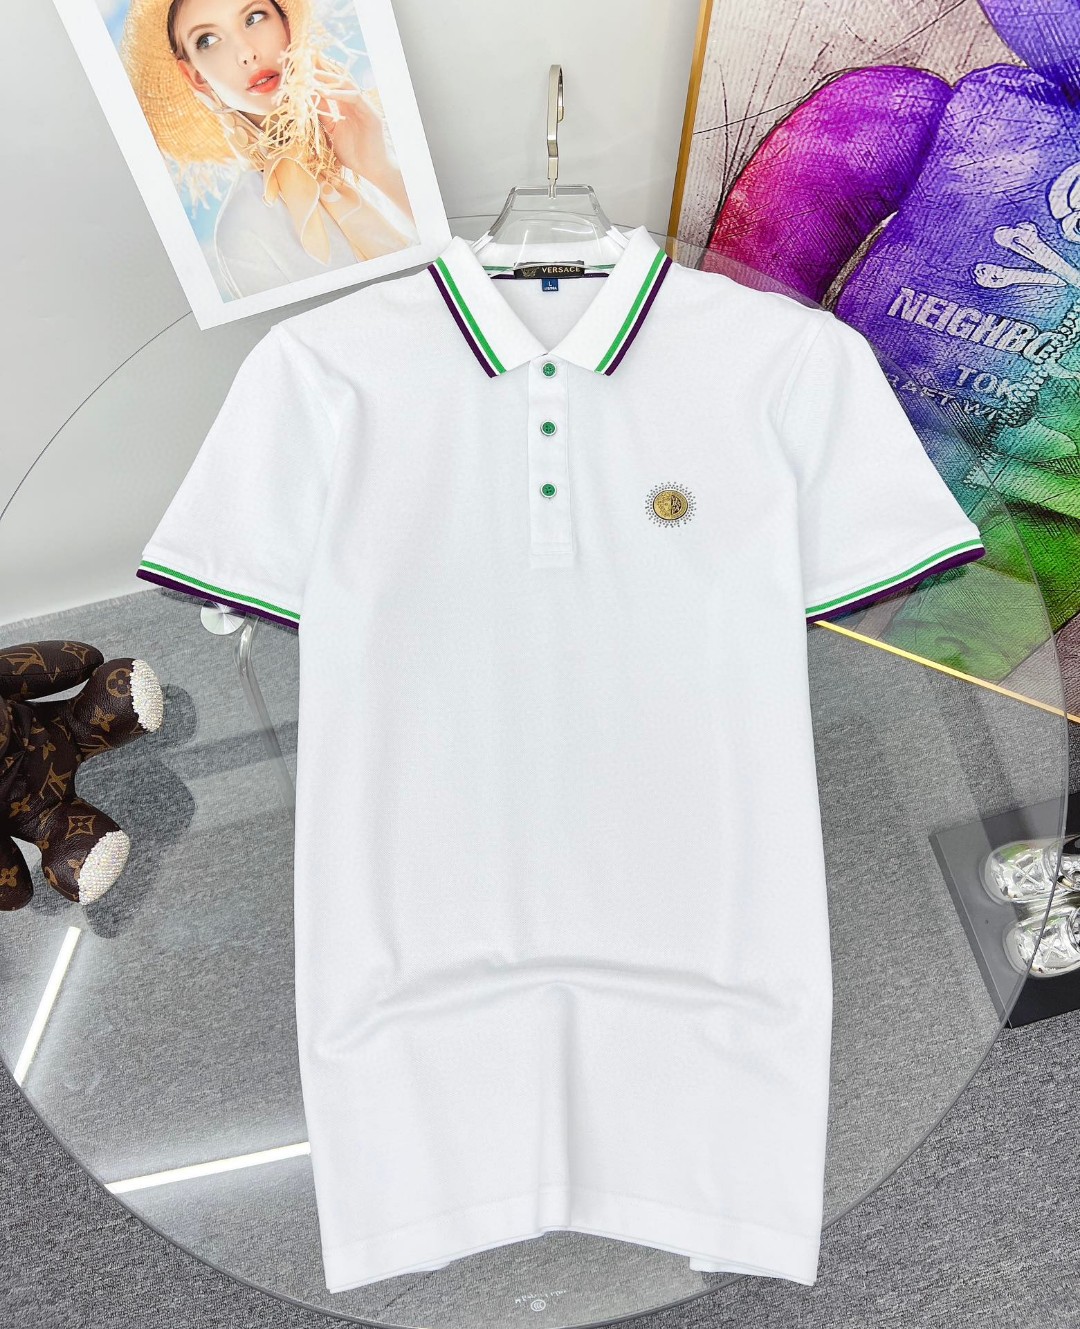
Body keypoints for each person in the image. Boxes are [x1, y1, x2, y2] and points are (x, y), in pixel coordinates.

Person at [120, 0, 419, 297]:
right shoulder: (242, 231)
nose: (246, 54)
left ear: (285, 22)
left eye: (254, 17)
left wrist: (380, 169)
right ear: (196, 76)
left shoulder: (391, 123)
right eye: (208, 40)